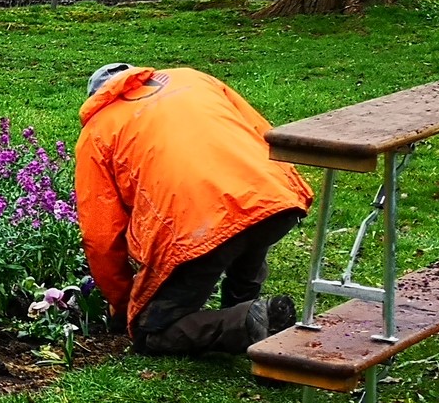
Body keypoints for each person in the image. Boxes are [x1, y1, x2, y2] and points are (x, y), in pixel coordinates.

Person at [75, 63, 312, 357]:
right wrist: (289, 186)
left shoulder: (98, 131)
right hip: (272, 198)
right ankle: (250, 306)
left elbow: (101, 237)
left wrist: (124, 303)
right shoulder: (194, 79)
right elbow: (262, 131)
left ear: (98, 97)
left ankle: (246, 321)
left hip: (199, 228)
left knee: (152, 333)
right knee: (250, 221)